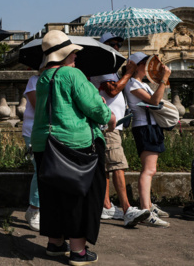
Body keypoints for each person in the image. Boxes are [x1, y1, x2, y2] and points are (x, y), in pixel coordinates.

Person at [31, 30, 116, 266]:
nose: (76, 56)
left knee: (52, 195)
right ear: (66, 54)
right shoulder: (72, 74)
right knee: (80, 196)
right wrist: (111, 117)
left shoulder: (43, 77)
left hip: (44, 143)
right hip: (75, 144)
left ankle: (55, 243)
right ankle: (78, 251)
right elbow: (95, 109)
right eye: (73, 53)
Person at [90, 33, 151, 227]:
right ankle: (127, 209)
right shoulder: (102, 68)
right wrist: (128, 74)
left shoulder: (110, 69)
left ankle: (106, 205)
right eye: (112, 44)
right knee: (117, 165)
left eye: (119, 44)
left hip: (111, 124)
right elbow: (113, 90)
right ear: (104, 46)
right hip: (108, 125)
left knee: (108, 166)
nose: (117, 47)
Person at [124, 52, 171, 228]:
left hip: (150, 126)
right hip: (144, 127)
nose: (149, 66)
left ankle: (148, 205)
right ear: (137, 65)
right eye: (145, 63)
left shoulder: (141, 83)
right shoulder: (133, 84)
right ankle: (145, 209)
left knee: (151, 169)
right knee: (148, 170)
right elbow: (155, 101)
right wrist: (163, 80)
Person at [22, 73, 40, 231]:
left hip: (54, 130)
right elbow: (38, 106)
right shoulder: (34, 80)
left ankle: (38, 208)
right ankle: (33, 210)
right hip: (34, 131)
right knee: (40, 169)